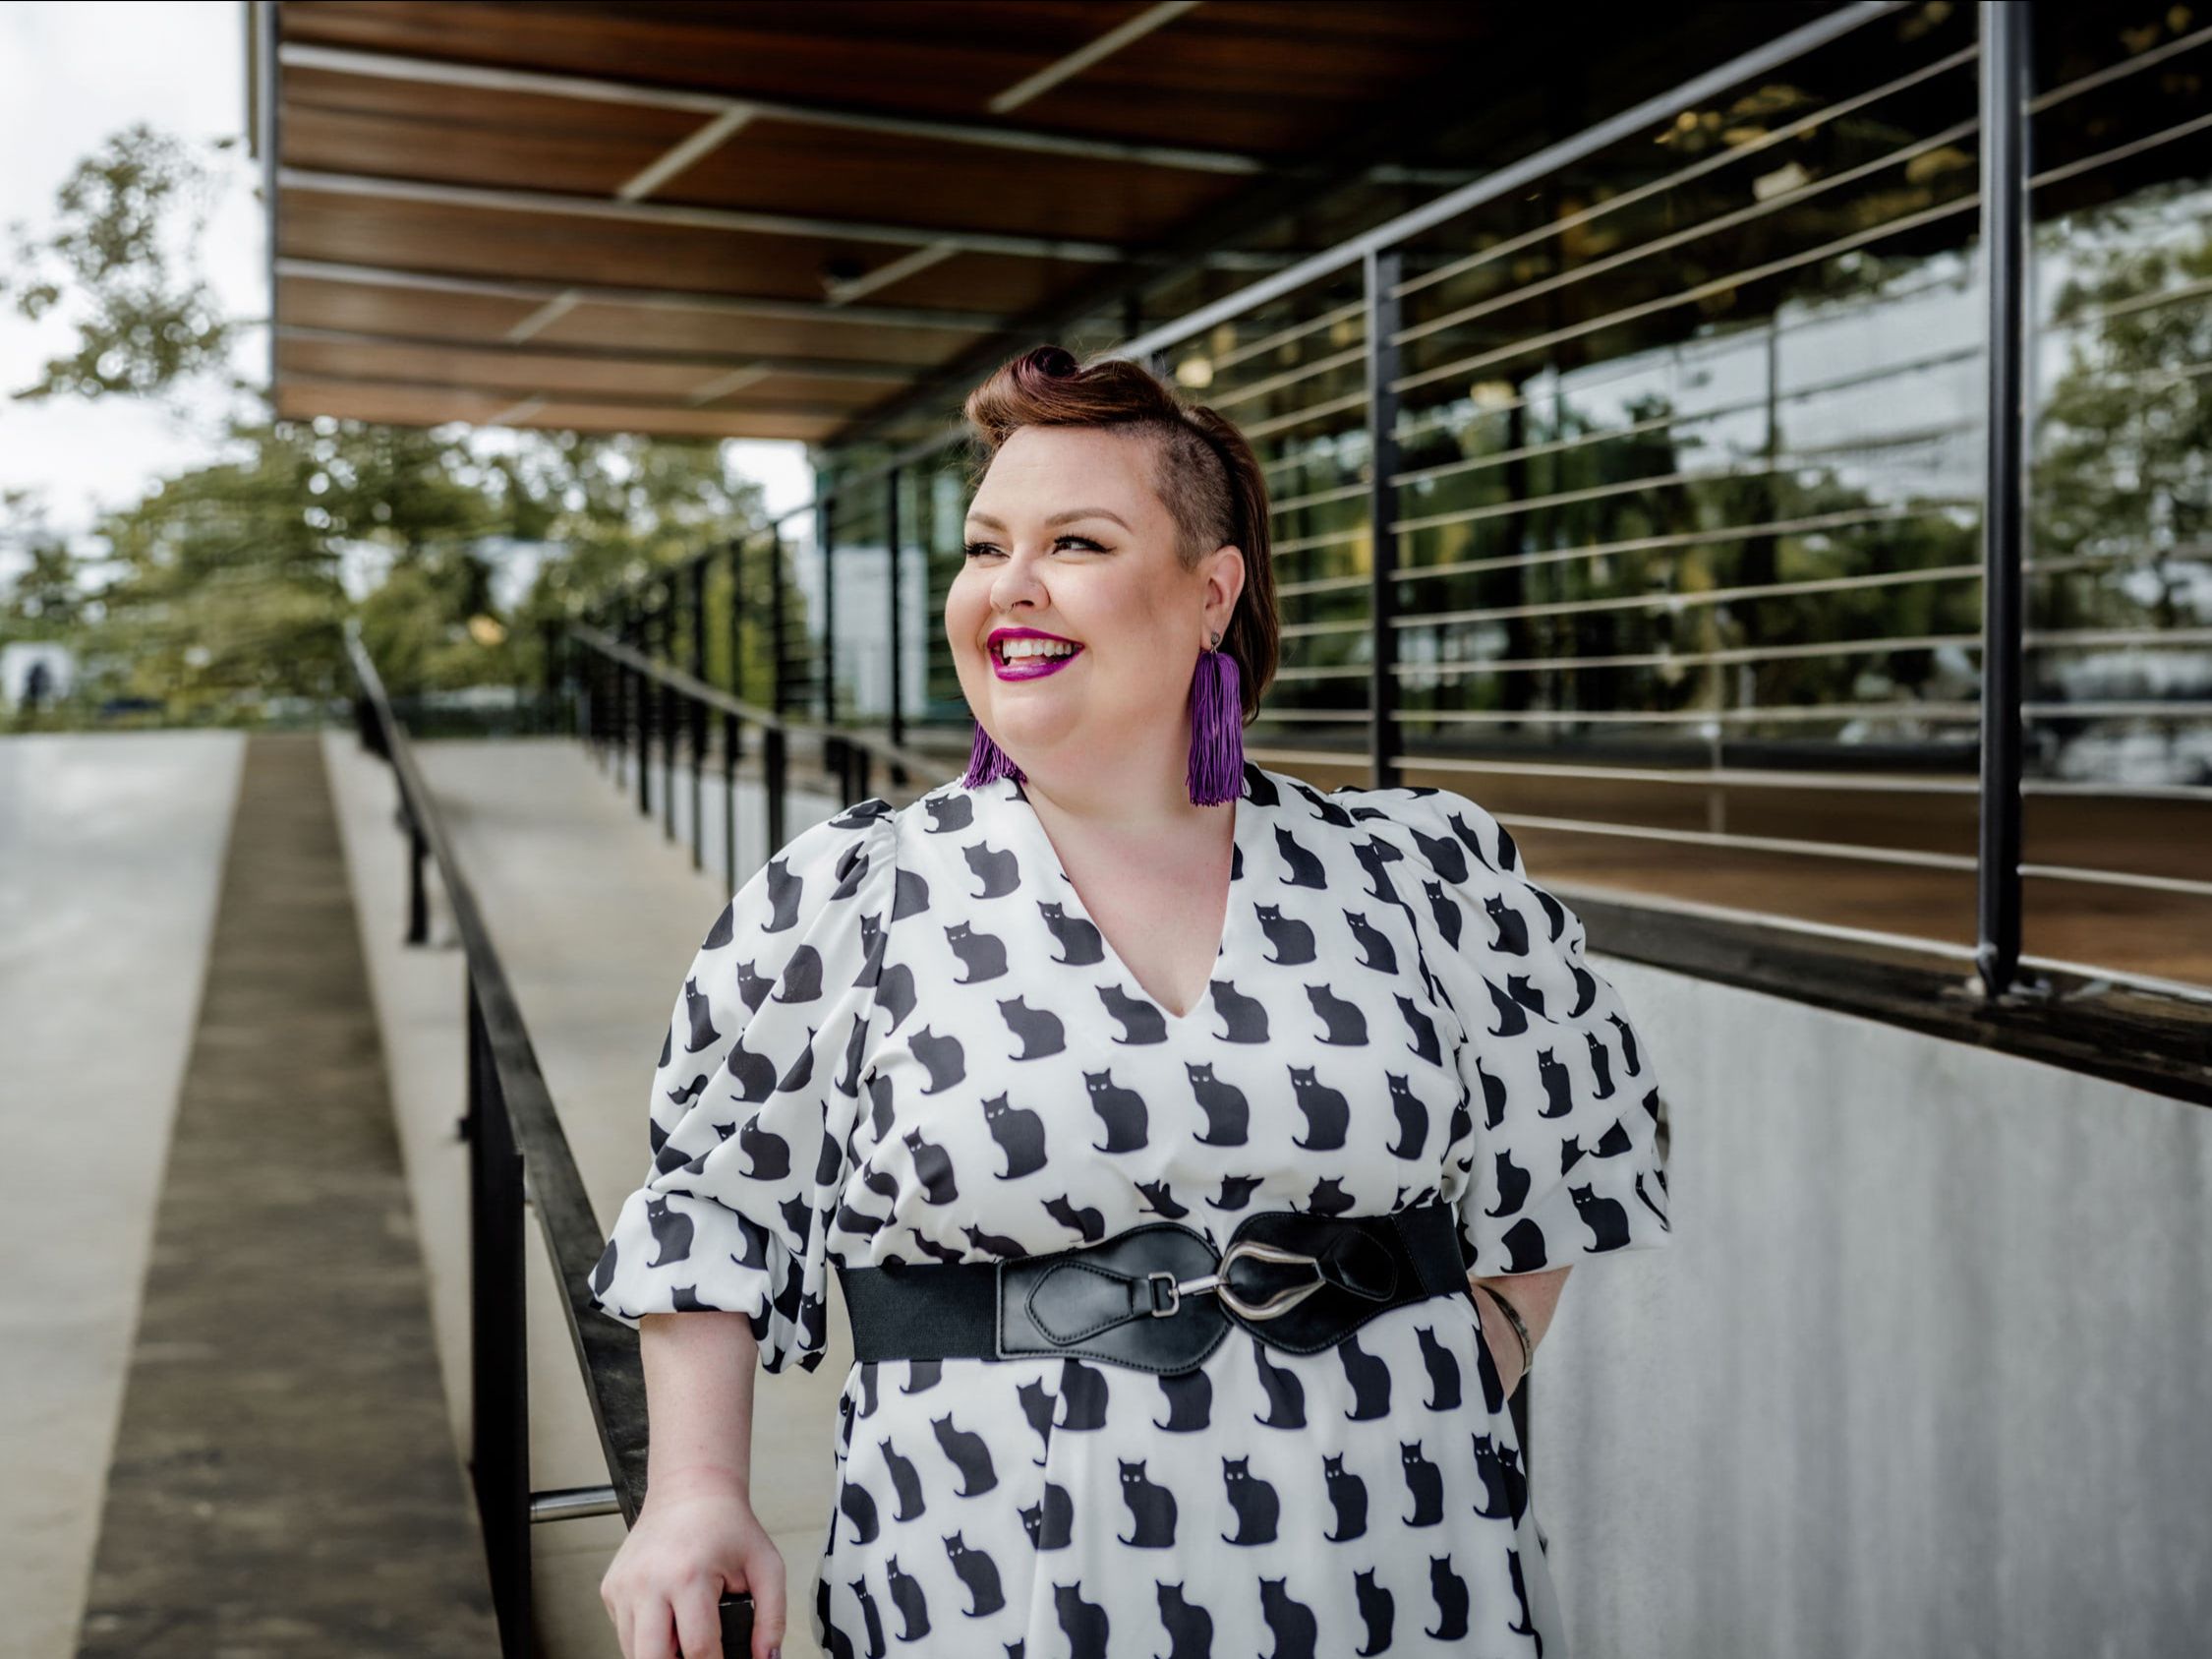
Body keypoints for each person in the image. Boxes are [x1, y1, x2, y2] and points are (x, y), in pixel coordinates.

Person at [588, 344, 1673, 1659]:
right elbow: (716, 1207)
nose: (1012, 587)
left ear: (1211, 591)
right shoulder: (851, 890)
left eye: (1076, 543)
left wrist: (1454, 1365)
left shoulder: (1419, 866)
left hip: (1398, 1551)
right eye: (985, 547)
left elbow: (1568, 1148)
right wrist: (694, 1496)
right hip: (985, 1557)